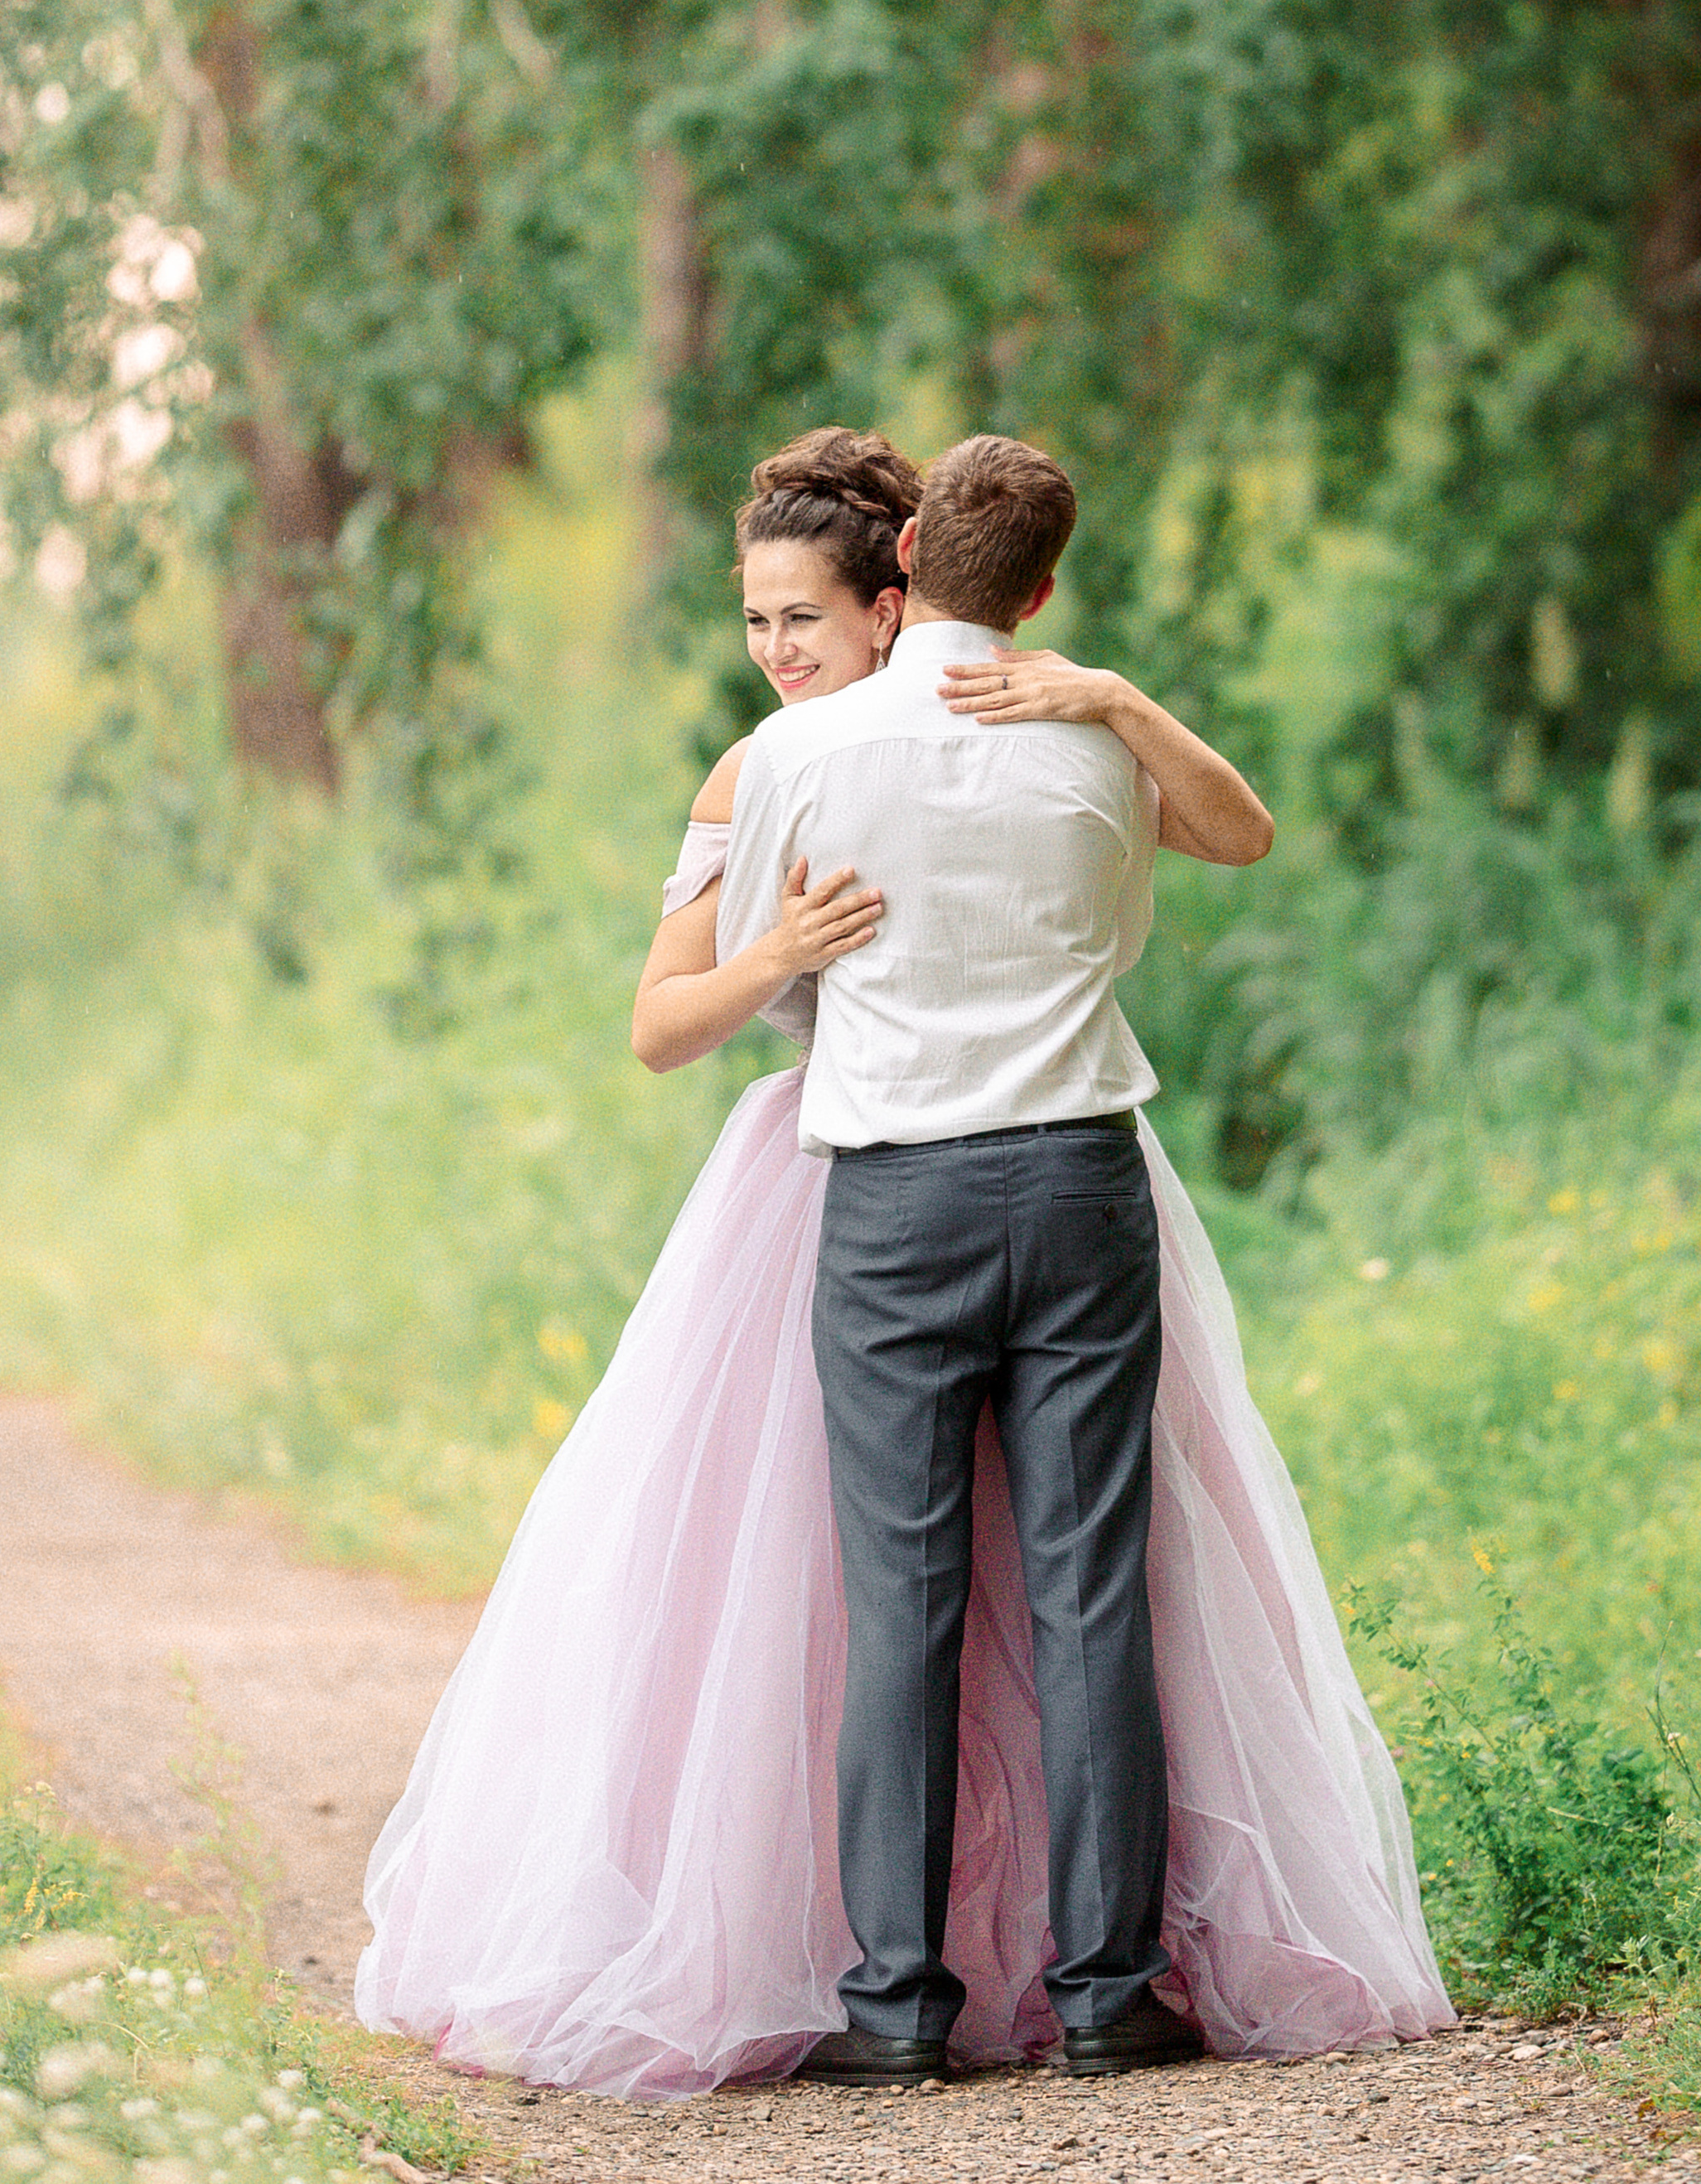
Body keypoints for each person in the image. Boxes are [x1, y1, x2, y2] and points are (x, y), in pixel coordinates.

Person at [354, 429, 1452, 2098]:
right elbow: (1239, 832)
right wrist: (1110, 699)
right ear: (1041, 588)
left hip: (889, 1199)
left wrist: (804, 955)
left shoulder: (795, 761)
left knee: (903, 1600)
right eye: (757, 620)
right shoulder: (1091, 743)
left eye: (792, 615)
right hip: (1077, 1180)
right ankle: (1106, 1991)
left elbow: (723, 998)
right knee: (1092, 1589)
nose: (773, 645)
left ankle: (895, 2006)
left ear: (905, 566)